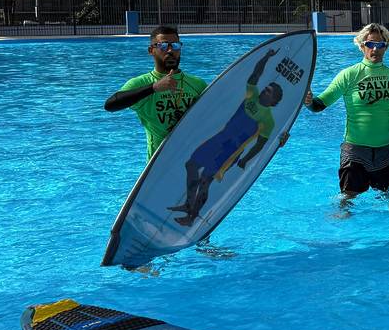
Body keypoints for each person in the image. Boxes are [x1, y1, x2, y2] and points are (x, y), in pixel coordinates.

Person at [168, 47, 283, 227]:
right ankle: (188, 204)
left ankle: (192, 217)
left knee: (206, 180)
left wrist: (245, 159)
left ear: (274, 102)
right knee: (191, 164)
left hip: (230, 150)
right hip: (219, 139)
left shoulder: (268, 120)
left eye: (269, 92)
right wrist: (266, 57)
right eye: (266, 89)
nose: (264, 91)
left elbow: (260, 144)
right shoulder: (252, 96)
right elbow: (255, 75)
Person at [303, 24, 389, 202]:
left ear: (386, 47)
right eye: (370, 44)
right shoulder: (349, 75)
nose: (375, 50)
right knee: (346, 203)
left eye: (380, 45)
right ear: (362, 46)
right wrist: (308, 101)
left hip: (385, 153)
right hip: (355, 152)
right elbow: (319, 105)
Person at [104, 26, 208, 159]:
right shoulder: (141, 83)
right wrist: (153, 87)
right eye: (163, 46)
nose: (170, 50)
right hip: (160, 166)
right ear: (151, 50)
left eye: (175, 45)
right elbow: (110, 105)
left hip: (195, 159)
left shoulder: (197, 83)